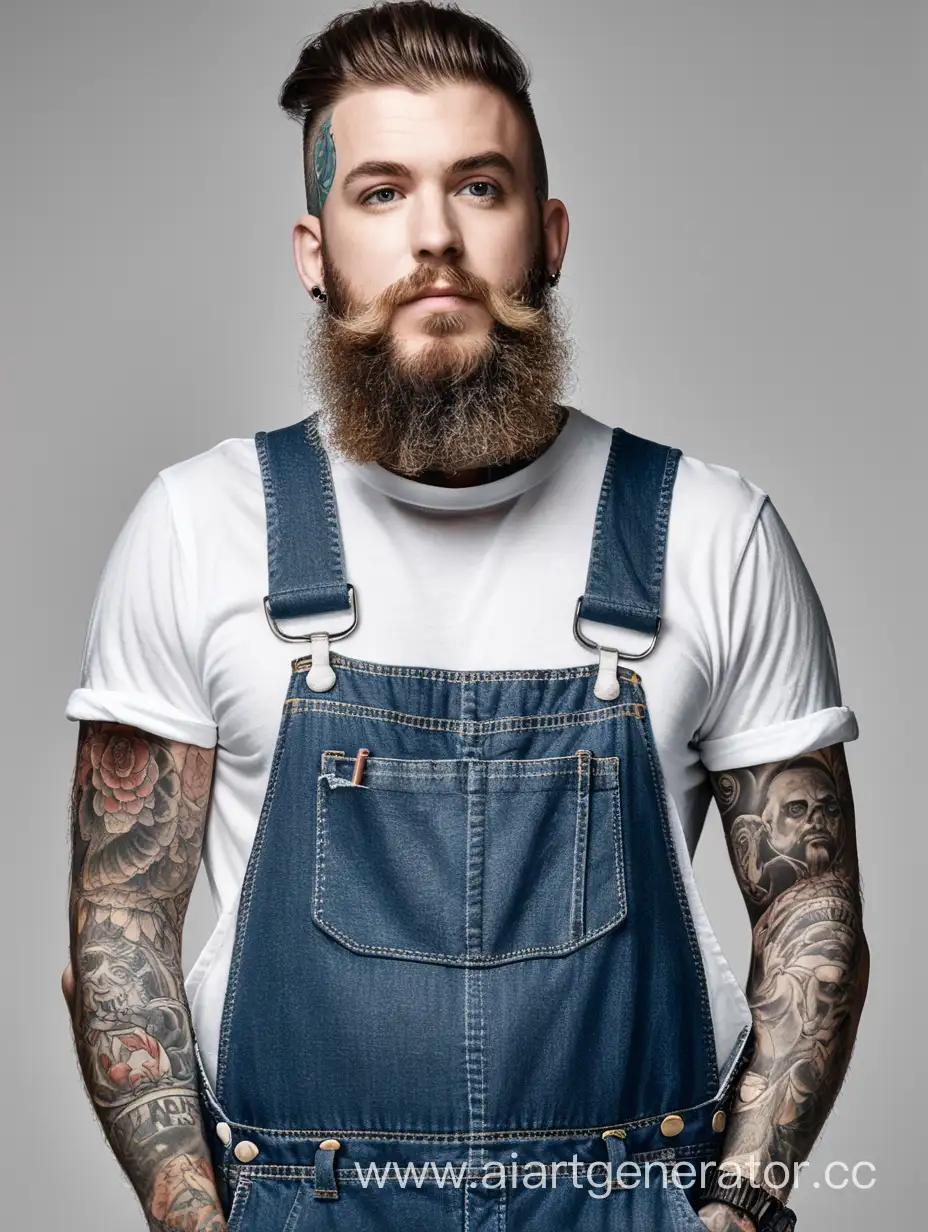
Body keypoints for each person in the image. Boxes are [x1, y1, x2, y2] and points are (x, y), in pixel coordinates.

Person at [62, 3, 869, 1229]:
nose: (434, 238)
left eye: (479, 187)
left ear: (546, 235)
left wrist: (738, 1206)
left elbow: (811, 912)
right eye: (380, 193)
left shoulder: (710, 530)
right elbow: (120, 922)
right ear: (313, 248)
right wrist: (190, 1215)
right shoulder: (196, 526)